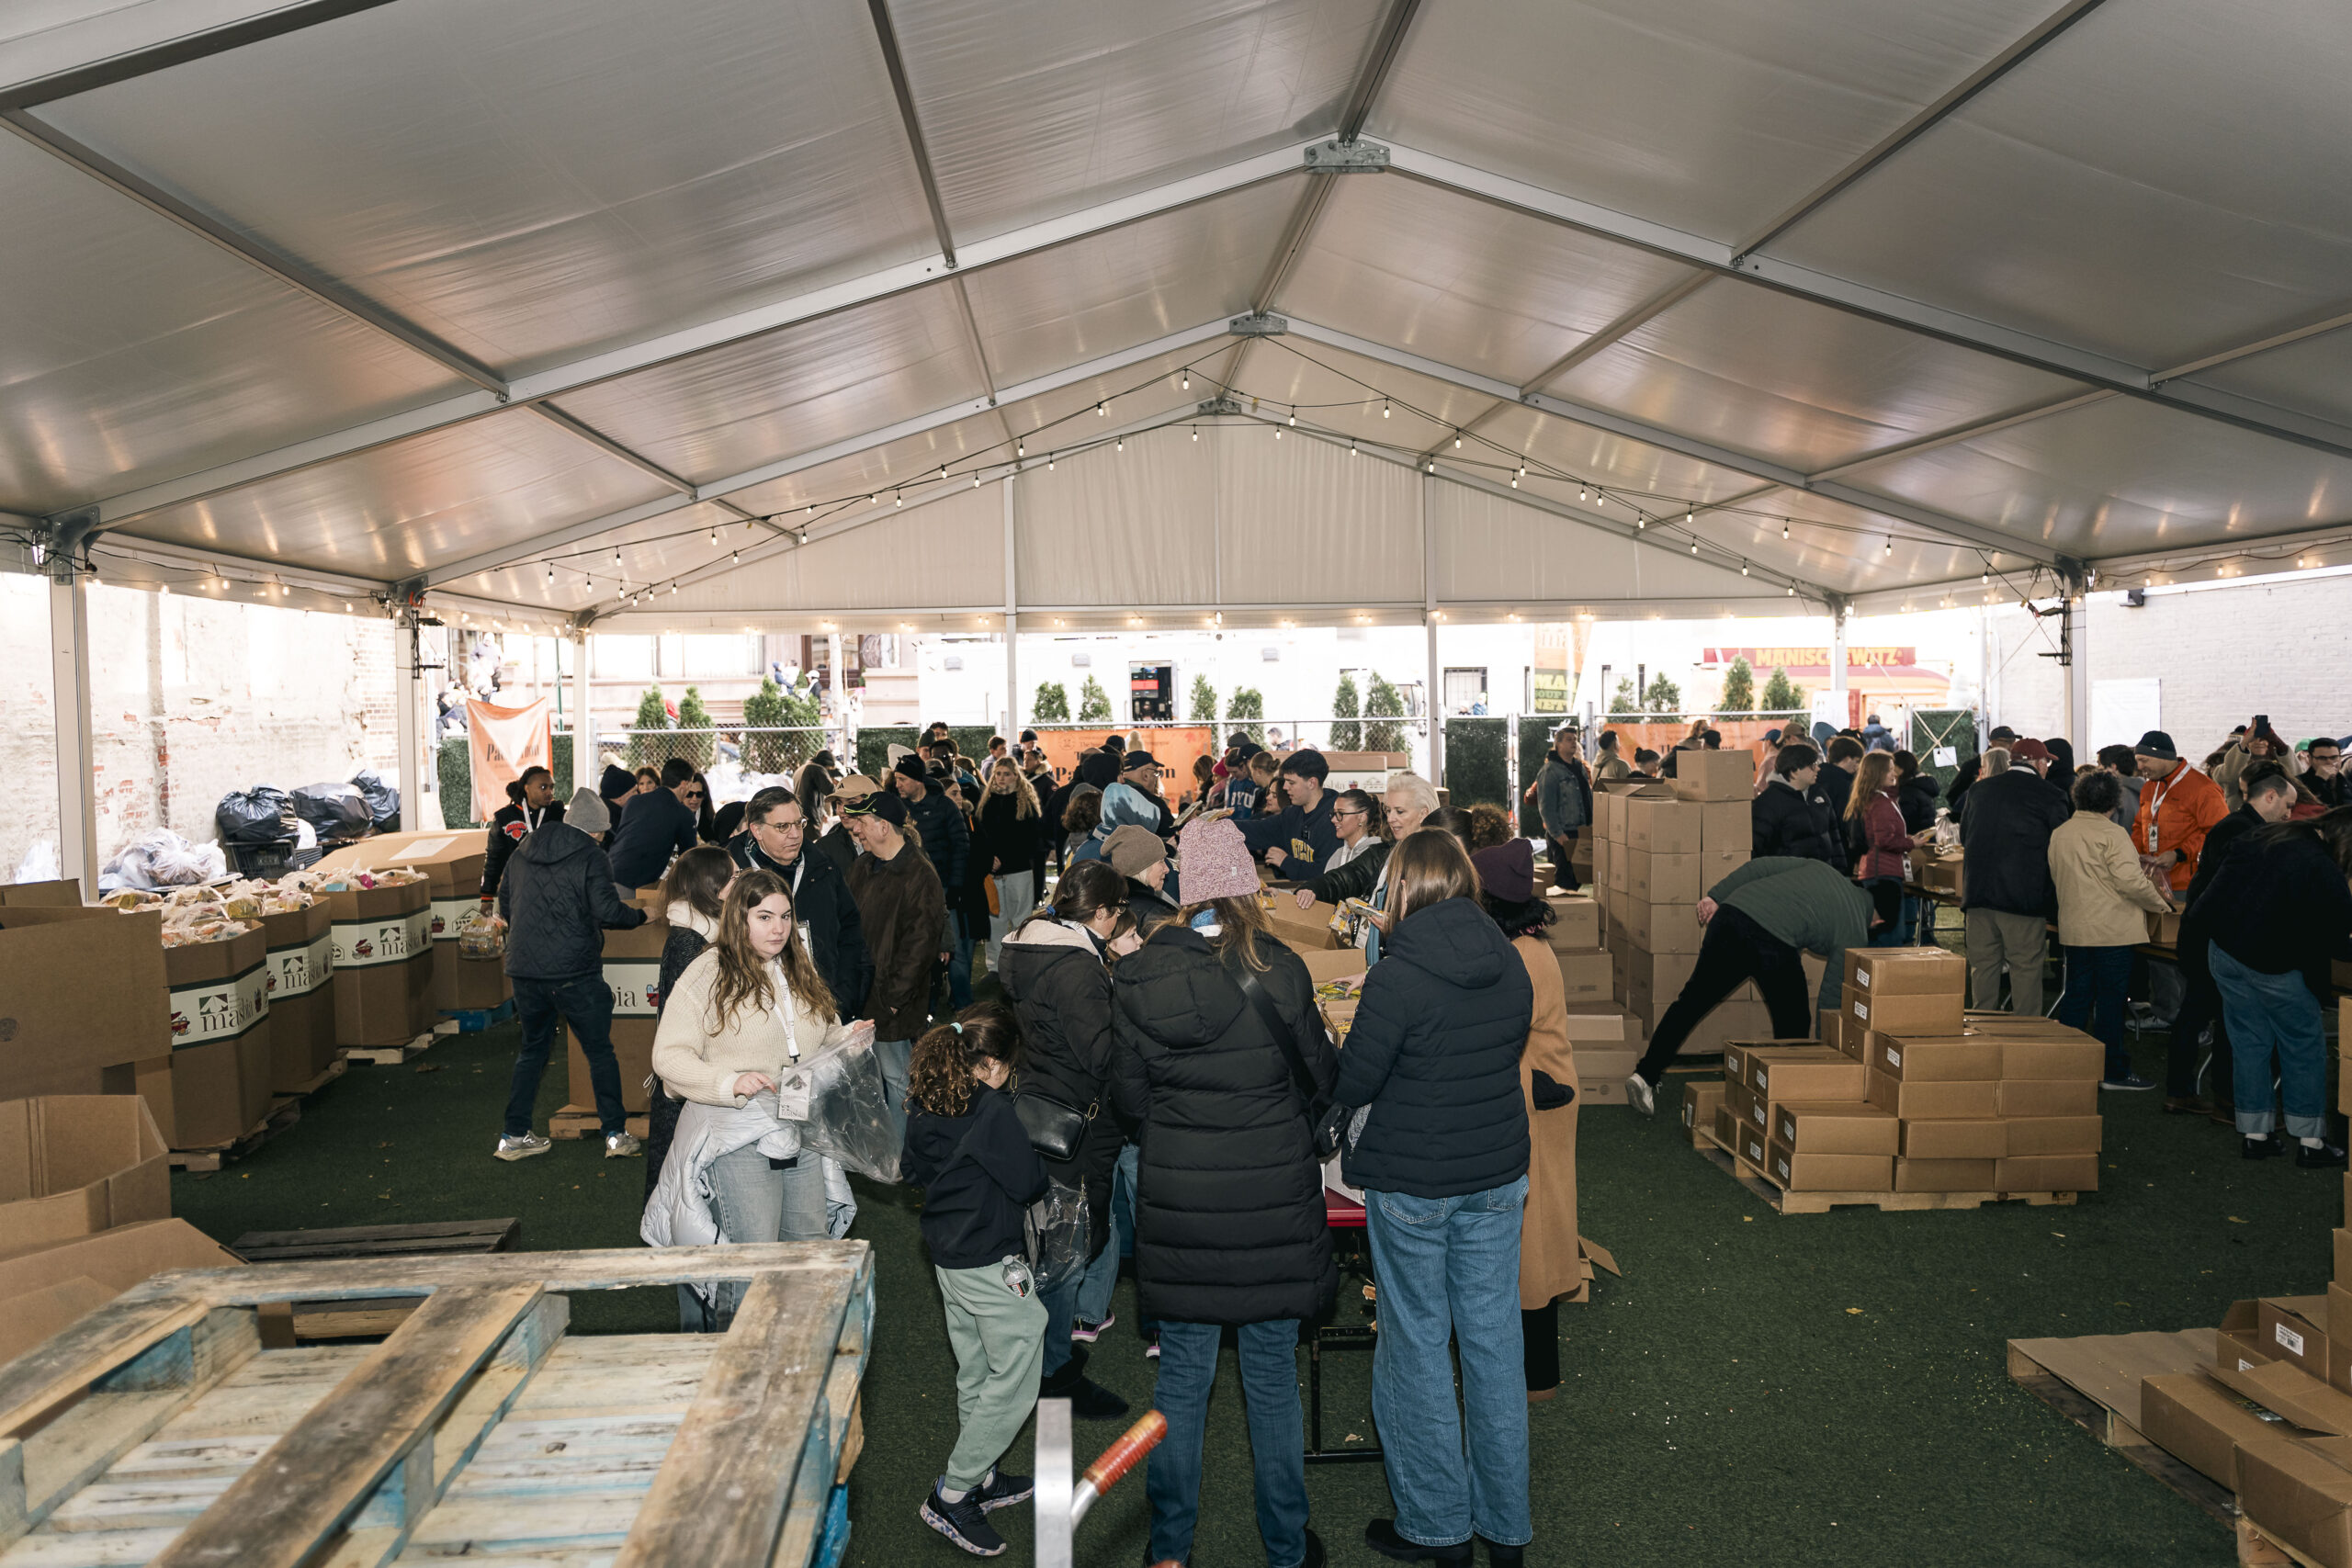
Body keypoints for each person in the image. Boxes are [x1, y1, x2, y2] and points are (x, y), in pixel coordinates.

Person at [1110, 817, 1333, 1568]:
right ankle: (1285, 1548)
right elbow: (1321, 1077)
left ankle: (1169, 1549)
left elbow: (1129, 1099)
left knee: (1181, 1383)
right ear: (1245, 883)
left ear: (1183, 887)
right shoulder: (1280, 966)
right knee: (1272, 1384)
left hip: (1182, 1207)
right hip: (1272, 1201)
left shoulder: (1140, 975)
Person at [1335, 829, 1532, 1567]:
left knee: (1416, 1345)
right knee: (1492, 1347)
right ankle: (1505, 1527)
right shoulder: (1509, 960)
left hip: (1414, 1181)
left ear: (1403, 889)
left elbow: (1356, 1080)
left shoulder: (1397, 975)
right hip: (1496, 1174)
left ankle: (1437, 1524)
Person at [648, 871, 871, 1313]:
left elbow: (815, 1036)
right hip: (736, 1136)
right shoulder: (707, 972)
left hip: (797, 1126)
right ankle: (741, 1369)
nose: (778, 928)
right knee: (752, 1259)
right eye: (764, 916)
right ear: (738, 918)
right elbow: (668, 1057)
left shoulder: (797, 966)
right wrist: (728, 1082)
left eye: (785, 916)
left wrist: (846, 1038)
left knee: (808, 1250)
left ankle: (798, 1358)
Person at [901, 1008, 1048, 1555]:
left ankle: (981, 1477)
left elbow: (911, 1171)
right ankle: (955, 1489)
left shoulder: (924, 1098)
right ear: (993, 1064)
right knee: (1020, 1357)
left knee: (976, 1364)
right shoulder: (990, 1111)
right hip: (989, 1254)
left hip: (946, 1251)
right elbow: (1029, 1183)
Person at [997, 861, 1133, 1422]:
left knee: (1048, 1241)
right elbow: (1101, 1053)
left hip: (1040, 1104)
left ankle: (1042, 1358)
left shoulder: (1027, 945)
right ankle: (1052, 1372)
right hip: (1074, 1121)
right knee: (1067, 1247)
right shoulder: (1074, 966)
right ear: (1101, 913)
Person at [1623, 857, 1870, 1113]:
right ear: (1877, 921)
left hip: (1731, 916)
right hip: (1772, 941)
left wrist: (1716, 896)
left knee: (1691, 1002)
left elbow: (1758, 867)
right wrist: (1825, 1051)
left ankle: (1644, 1075)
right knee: (1793, 1023)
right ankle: (1784, 1105)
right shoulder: (1857, 928)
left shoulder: (1824, 870)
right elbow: (1831, 997)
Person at [1470, 840, 1580, 1404]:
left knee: (1534, 1237)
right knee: (1536, 1229)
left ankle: (1536, 1376)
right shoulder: (1525, 946)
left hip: (1533, 1100)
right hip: (1540, 1094)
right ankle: (1532, 1371)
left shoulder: (1520, 957)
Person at [494, 788, 648, 1161]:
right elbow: (609, 911)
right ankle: (615, 1134)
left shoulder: (525, 848)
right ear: (596, 831)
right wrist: (644, 916)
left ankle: (513, 1136)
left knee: (532, 1050)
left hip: (525, 971)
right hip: (575, 971)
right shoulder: (592, 856)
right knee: (599, 1052)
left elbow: (505, 902)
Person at [2198, 808, 2352, 1165]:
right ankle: (2311, 1143)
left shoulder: (2261, 837)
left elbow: (2212, 892)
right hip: (2276, 967)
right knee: (2303, 1050)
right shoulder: (2322, 868)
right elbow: (2336, 941)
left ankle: (2255, 1135)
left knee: (2249, 1045)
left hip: (2223, 952)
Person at [2169, 763, 2298, 1115]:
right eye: (2287, 806)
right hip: (2215, 939)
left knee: (2203, 1015)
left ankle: (2191, 1091)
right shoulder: (2243, 831)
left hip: (2207, 934)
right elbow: (2234, 892)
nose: (2289, 815)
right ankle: (2218, 1094)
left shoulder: (2238, 826)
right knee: (2217, 1017)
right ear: (2269, 797)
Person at [2048, 772, 2173, 1090]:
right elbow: (2130, 882)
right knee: (2110, 1003)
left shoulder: (2061, 832)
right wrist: (2161, 904)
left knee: (2076, 998)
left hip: (2075, 927)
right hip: (2112, 931)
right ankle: (2111, 1070)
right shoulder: (2114, 835)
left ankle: (2069, 1067)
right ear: (2114, 802)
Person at [841, 788, 947, 1111]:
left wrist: (893, 1002)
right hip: (861, 995)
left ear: (883, 827)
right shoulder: (862, 866)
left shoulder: (919, 875)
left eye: (862, 823)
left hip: (892, 1005)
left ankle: (902, 1158)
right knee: (868, 1080)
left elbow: (920, 946)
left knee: (898, 1081)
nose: (856, 830)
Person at [729, 787, 871, 1022]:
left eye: (798, 823)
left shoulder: (823, 868)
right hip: (755, 1014)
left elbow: (851, 934)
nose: (794, 834)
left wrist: (844, 998)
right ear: (757, 830)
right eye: (783, 827)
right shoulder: (729, 876)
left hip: (822, 1008)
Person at [645, 845, 735, 1196]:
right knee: (677, 1181)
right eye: (735, 876)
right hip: (687, 1080)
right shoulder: (689, 941)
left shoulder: (702, 934)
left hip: (694, 1079)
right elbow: (690, 1020)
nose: (741, 882)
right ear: (713, 886)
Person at [1958, 746, 2071, 1014]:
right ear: (2037, 761)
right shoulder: (2051, 796)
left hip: (1978, 895)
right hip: (2023, 898)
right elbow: (2060, 847)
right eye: (2047, 762)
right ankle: (2023, 1037)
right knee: (2026, 969)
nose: (2047, 768)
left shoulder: (1979, 790)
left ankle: (1981, 1027)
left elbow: (1965, 837)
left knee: (1983, 967)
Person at [896, 756, 977, 1010]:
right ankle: (925, 1004)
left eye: (902, 779)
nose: (897, 784)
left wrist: (954, 887)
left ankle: (963, 1004)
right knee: (917, 948)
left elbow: (961, 847)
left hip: (943, 889)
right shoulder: (899, 808)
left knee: (954, 950)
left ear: (917, 780)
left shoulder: (944, 806)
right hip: (911, 891)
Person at [2131, 730, 2227, 900]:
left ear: (2164, 757)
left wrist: (2179, 854)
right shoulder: (2149, 788)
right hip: (2151, 880)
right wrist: (2134, 854)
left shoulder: (2203, 789)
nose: (2139, 767)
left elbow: (2219, 833)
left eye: (2144, 760)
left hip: (2188, 883)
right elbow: (2140, 826)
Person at [974, 761, 1045, 970]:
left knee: (1021, 920)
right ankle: (995, 967)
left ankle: (1022, 963)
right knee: (995, 921)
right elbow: (981, 837)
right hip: (993, 872)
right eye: (998, 774)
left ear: (1016, 776)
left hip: (1019, 870)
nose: (1001, 778)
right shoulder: (986, 803)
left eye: (1006, 774)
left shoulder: (1026, 804)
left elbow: (1033, 841)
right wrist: (989, 858)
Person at [1846, 751, 1919, 942]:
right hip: (1883, 874)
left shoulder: (1875, 799)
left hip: (1876, 871)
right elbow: (1884, 840)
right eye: (1889, 770)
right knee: (1889, 936)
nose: (1894, 774)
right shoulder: (1881, 802)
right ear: (1877, 773)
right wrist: (1912, 843)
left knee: (1881, 933)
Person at [1241, 749, 1342, 879]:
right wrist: (1220, 826)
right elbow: (1258, 830)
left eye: (1291, 782)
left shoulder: (1335, 821)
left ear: (1312, 783)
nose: (1284, 787)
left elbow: (1326, 874)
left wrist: (1286, 862)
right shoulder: (1291, 814)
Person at [608, 758, 703, 893]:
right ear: (684, 784)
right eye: (689, 785)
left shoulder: (634, 801)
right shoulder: (683, 814)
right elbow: (690, 859)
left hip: (606, 873)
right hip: (632, 886)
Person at [1750, 741, 1844, 867]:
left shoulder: (1819, 793)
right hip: (1789, 881)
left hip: (1824, 878)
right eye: (1812, 765)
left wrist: (1840, 871)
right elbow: (1756, 847)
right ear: (1794, 771)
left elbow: (1834, 835)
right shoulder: (1768, 803)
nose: (1818, 768)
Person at [481, 765, 563, 905]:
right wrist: (487, 896)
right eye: (543, 788)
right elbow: (495, 858)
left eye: (551, 787)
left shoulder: (558, 815)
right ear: (527, 789)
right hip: (516, 892)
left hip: (552, 891)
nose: (549, 792)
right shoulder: (505, 818)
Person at [1534, 726, 1591, 893]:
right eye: (1569, 739)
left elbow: (1587, 798)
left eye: (1575, 739)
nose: (1574, 743)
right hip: (1563, 833)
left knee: (1578, 878)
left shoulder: (1579, 767)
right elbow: (1546, 806)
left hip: (1581, 831)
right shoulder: (1550, 771)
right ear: (1558, 744)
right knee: (1564, 881)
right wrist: (1558, 834)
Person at [1104, 824, 1182, 934]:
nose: (1167, 869)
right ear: (1143, 867)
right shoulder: (1152, 914)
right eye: (1161, 861)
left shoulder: (1120, 903)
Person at [2212, 716, 2292, 812]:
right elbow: (2228, 776)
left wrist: (2278, 742)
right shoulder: (2234, 768)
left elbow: (2296, 779)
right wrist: (2245, 741)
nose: (2259, 742)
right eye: (2254, 739)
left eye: (2264, 739)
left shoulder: (2277, 768)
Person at [811, 773, 875, 879]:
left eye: (851, 802)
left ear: (871, 803)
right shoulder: (824, 848)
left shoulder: (888, 842)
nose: (840, 810)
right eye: (839, 803)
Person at [1946, 726, 2017, 818]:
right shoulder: (1972, 766)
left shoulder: (2015, 766)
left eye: (2014, 742)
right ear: (1993, 742)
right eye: (2007, 742)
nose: (2012, 746)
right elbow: (1953, 796)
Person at [1116, 750, 1177, 836]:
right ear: (1146, 775)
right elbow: (1172, 834)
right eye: (1155, 773)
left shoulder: (1110, 796)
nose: (1156, 778)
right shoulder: (1155, 805)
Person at [1324, 789, 1380, 874]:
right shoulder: (1337, 856)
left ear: (1362, 818)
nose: (1333, 820)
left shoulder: (1376, 855)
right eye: (1334, 813)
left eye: (1341, 814)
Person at [2095, 745, 2145, 829]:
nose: (2097, 769)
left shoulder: (2114, 795)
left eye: (2100, 764)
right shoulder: (2144, 790)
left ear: (2113, 767)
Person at [1815, 735, 1863, 820]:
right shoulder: (1845, 785)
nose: (1858, 766)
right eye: (1857, 761)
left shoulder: (1816, 776)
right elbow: (1845, 817)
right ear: (1847, 759)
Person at [1893, 750, 1941, 834]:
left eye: (1893, 767)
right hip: (1928, 837)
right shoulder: (1923, 785)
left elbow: (1905, 822)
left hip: (1915, 841)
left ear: (1901, 768)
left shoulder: (1908, 792)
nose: (1892, 772)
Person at [2307, 737, 2348, 809]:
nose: (2329, 762)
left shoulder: (2347, 783)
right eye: (2322, 758)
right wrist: (2319, 781)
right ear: (2310, 759)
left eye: (2334, 757)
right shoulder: (2298, 783)